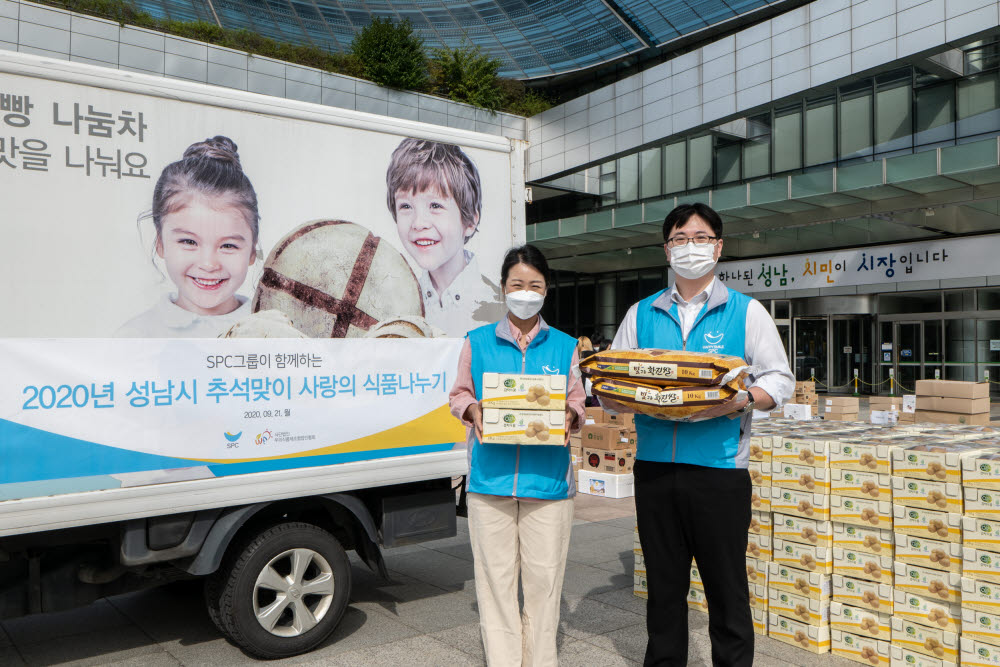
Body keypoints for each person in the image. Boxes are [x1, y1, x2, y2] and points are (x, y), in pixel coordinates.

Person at [610, 203, 794, 666]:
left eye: (699, 237)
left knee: (727, 590)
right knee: (663, 590)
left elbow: (779, 380)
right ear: (666, 249)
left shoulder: (747, 313)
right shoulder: (641, 313)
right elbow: (612, 379)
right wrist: (612, 394)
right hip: (655, 469)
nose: (689, 247)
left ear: (718, 245)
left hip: (719, 471)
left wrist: (744, 400)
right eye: (679, 238)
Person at [449, 245, 586, 666]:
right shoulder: (477, 341)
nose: (525, 292)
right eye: (517, 284)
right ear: (504, 288)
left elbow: (579, 400)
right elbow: (459, 395)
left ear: (546, 291)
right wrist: (473, 410)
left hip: (548, 484)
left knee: (545, 586)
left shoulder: (565, 347)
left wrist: (569, 415)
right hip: (490, 481)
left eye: (534, 285)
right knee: (495, 586)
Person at [116, 136, 259, 337]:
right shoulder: (134, 338)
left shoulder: (280, 334)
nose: (209, 264)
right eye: (189, 242)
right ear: (160, 244)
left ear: (252, 250)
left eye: (228, 246)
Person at [387, 137, 501, 337]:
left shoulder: (498, 307)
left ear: (470, 222)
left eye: (435, 206)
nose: (419, 223)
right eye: (405, 206)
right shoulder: (395, 306)